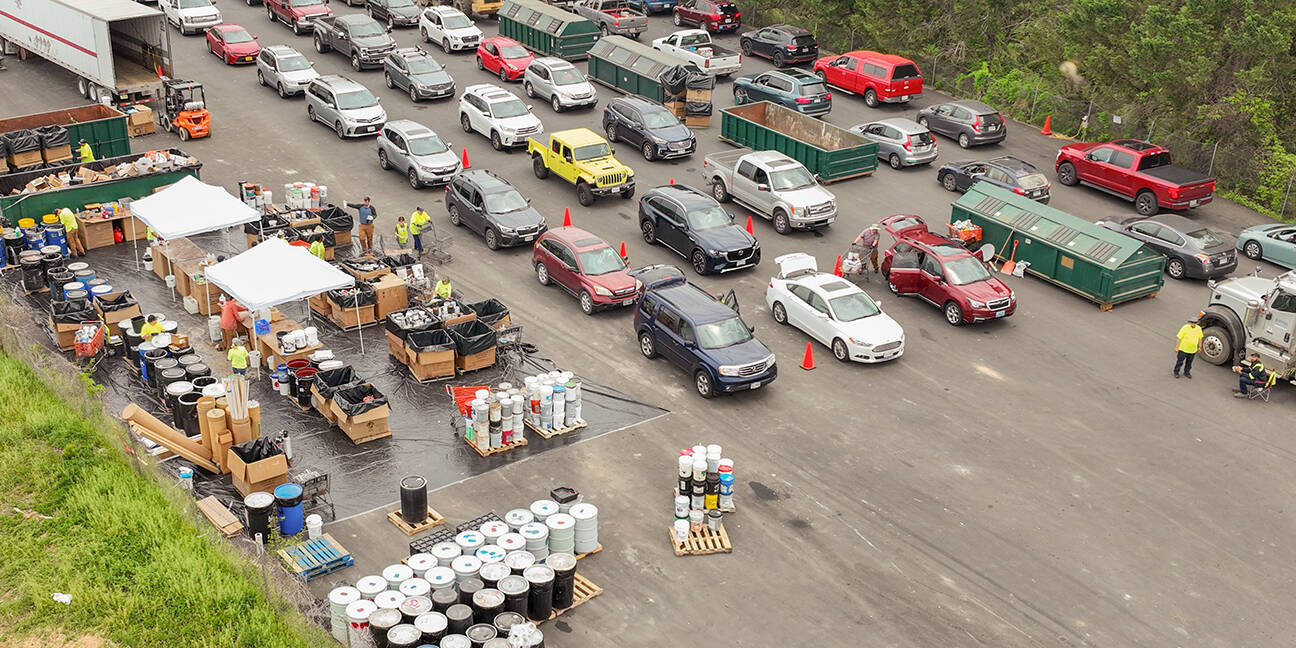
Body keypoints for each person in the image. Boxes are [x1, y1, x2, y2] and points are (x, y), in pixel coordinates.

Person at [1173, 312, 1203, 379]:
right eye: (1192, 322)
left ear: (1196, 323)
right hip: (1183, 349)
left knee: (1189, 363)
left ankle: (1187, 372)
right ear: (1190, 322)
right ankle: (1176, 372)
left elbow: (1200, 338)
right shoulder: (1185, 327)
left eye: (1195, 322)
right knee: (1180, 362)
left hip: (1192, 350)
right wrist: (1176, 347)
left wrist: (1200, 347)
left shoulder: (1199, 328)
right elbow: (1179, 338)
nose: (1193, 324)